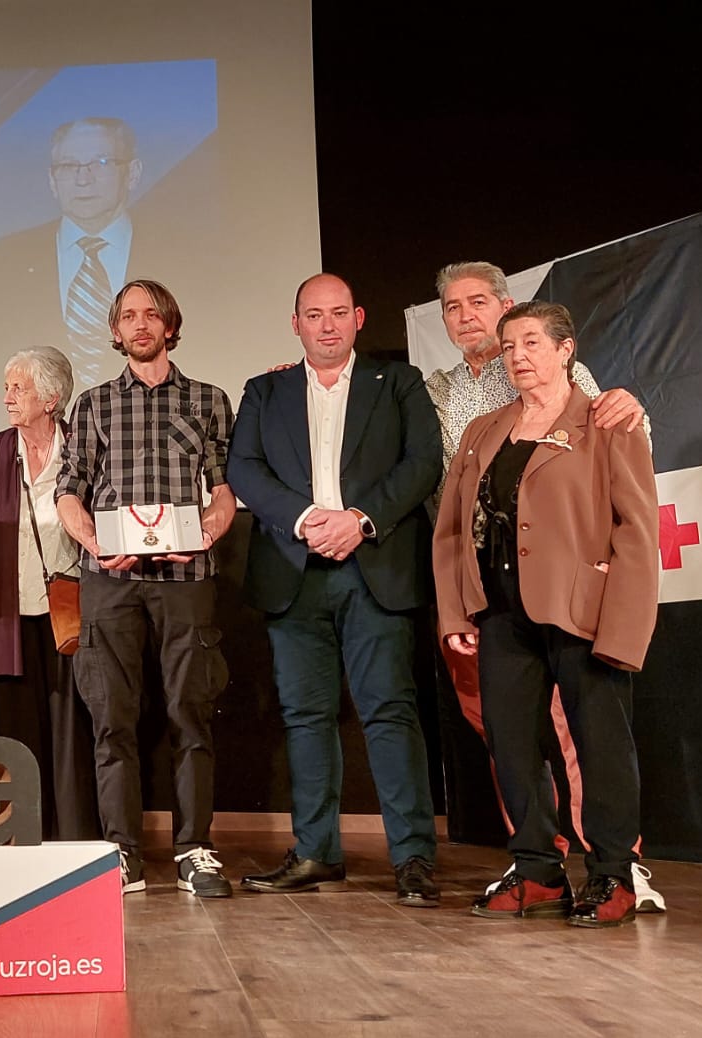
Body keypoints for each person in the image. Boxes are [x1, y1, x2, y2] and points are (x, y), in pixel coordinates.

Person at [426, 260, 664, 913]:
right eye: (510, 346)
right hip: (502, 611)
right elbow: (450, 530)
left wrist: (626, 622)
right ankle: (536, 867)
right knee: (511, 740)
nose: (519, 355)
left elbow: (638, 531)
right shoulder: (482, 429)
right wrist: (457, 610)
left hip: (584, 608)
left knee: (600, 744)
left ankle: (614, 871)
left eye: (533, 343)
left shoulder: (607, 420)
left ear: (566, 351)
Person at [227, 274, 444, 905]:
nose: (327, 324)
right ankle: (317, 851)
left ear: (358, 318)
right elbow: (244, 468)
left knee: (390, 712)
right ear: (294, 322)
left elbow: (422, 461)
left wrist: (360, 520)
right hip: (293, 575)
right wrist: (302, 520)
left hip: (372, 566)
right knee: (305, 717)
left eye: (339, 313)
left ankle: (412, 859)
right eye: (313, 314)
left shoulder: (399, 383)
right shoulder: (264, 390)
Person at [56, 279, 236, 898]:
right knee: (113, 719)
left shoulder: (208, 399)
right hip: (111, 579)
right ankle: (122, 851)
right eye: (128, 315)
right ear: (115, 332)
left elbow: (222, 488)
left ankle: (195, 848)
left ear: (170, 324)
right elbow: (69, 490)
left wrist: (209, 532)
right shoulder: (93, 403)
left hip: (187, 576)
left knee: (191, 713)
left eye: (151, 314)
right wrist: (96, 543)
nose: (140, 324)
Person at [0, 346, 99, 841]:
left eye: (18, 388)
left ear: (50, 399)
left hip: (71, 609)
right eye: (7, 387)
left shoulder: (82, 448)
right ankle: (20, 829)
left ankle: (74, 833)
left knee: (74, 726)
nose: (7, 397)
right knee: (15, 724)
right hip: (8, 611)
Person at [0, 118, 152, 389]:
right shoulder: (3, 261)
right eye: (69, 166)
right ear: (52, 179)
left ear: (132, 173)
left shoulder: (185, 252)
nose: (83, 179)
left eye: (101, 163)